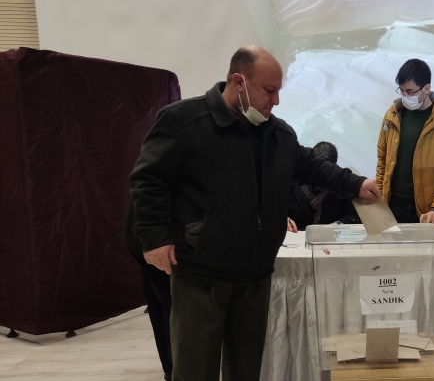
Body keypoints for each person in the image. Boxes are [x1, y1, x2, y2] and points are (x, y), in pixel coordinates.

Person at [130, 46, 381, 381]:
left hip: (255, 277)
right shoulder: (183, 121)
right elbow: (149, 180)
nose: (276, 100)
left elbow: (311, 166)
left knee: (247, 370)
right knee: (194, 368)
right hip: (200, 274)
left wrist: (357, 184)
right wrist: (153, 236)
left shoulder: (278, 134)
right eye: (269, 90)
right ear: (239, 82)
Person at [376, 58, 434, 224]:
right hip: (393, 207)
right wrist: (380, 201)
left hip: (428, 212)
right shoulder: (392, 115)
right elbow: (382, 162)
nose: (405, 97)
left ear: (426, 88)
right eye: (402, 91)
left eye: (410, 92)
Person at [125, 203, 173, 381]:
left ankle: (171, 367)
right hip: (158, 229)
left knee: (162, 299)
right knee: (176, 303)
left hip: (146, 225)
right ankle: (176, 367)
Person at [286, 141, 360, 232]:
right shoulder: (291, 182)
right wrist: (283, 220)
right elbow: (273, 208)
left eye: (325, 171)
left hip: (329, 238)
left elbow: (357, 217)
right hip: (292, 236)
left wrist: (337, 225)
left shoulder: (342, 187)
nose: (319, 175)